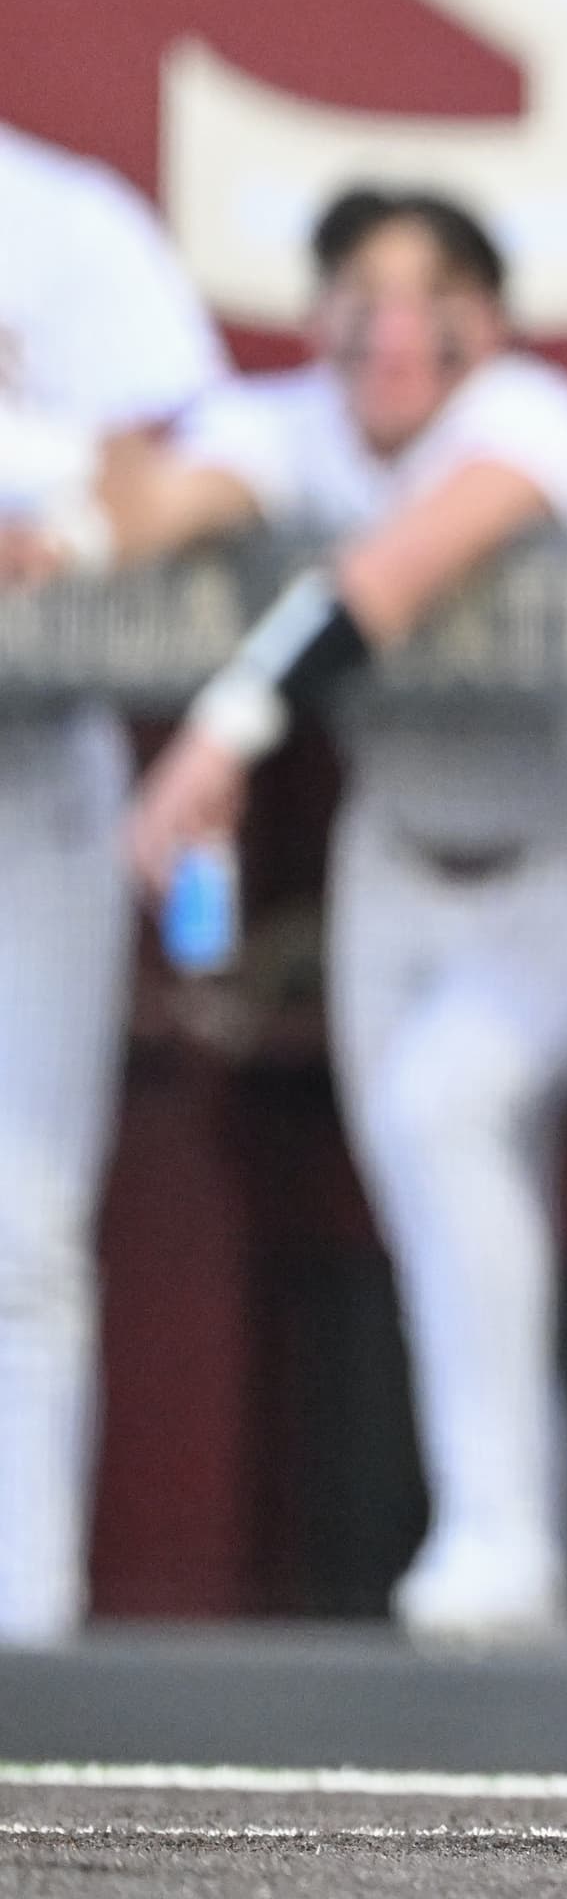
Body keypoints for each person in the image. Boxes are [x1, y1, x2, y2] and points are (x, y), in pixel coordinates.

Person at [107, 184, 567, 1646]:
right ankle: (504, 1548)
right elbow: (173, 503)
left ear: (483, 322)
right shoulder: (281, 420)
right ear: (322, 314)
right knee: (431, 1181)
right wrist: (85, 490)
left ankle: (500, 1548)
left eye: (430, 295)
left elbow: (396, 569)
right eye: (361, 292)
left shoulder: (536, 418)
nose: (393, 329)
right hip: (402, 858)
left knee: (446, 1111)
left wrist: (225, 731)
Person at [0, 125, 227, 1645]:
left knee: (20, 1219)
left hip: (29, 753)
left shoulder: (59, 219)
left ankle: (23, 1627)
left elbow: (181, 458)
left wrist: (70, 499)